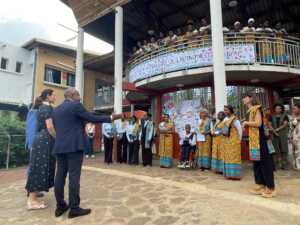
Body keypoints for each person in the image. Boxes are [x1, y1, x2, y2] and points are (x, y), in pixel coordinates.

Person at [52, 88, 122, 218]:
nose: (80, 96)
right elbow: (92, 118)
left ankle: (60, 206)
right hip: (74, 146)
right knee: (74, 176)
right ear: (72, 95)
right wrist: (111, 117)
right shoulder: (76, 106)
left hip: (60, 146)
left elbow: (57, 127)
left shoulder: (56, 110)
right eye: (78, 94)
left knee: (60, 176)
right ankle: (74, 208)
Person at [25, 89, 56, 210]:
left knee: (37, 167)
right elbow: (50, 127)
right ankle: (32, 201)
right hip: (45, 140)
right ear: (48, 96)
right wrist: (57, 137)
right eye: (53, 95)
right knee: (39, 168)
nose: (55, 97)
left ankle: (33, 198)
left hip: (40, 139)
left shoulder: (39, 108)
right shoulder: (47, 108)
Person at [242, 92, 276, 198]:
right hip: (253, 140)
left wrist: (246, 123)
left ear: (251, 98)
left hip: (259, 139)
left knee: (264, 163)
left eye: (245, 97)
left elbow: (258, 123)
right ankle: (260, 184)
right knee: (256, 162)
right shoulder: (249, 111)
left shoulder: (256, 108)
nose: (243, 99)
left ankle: (271, 187)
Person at [223, 106, 243, 180]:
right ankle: (229, 174)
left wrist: (239, 141)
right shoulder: (225, 119)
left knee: (234, 158)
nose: (225, 111)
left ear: (231, 111)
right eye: (224, 110)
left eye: (226, 110)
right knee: (228, 158)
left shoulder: (235, 120)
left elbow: (240, 131)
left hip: (234, 142)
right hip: (227, 141)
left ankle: (235, 175)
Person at [268, 103, 290, 170]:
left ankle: (284, 164)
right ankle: (276, 164)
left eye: (279, 108)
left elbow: (285, 124)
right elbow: (269, 124)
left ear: (282, 109)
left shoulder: (285, 116)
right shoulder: (271, 116)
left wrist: (278, 129)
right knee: (275, 149)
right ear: (274, 109)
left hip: (282, 134)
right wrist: (274, 131)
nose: (278, 110)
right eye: (276, 108)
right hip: (273, 134)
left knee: (284, 148)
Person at [291, 103, 300, 170]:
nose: (293, 110)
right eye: (293, 108)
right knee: (296, 151)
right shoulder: (292, 117)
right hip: (295, 136)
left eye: (295, 108)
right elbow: (291, 128)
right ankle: (297, 165)